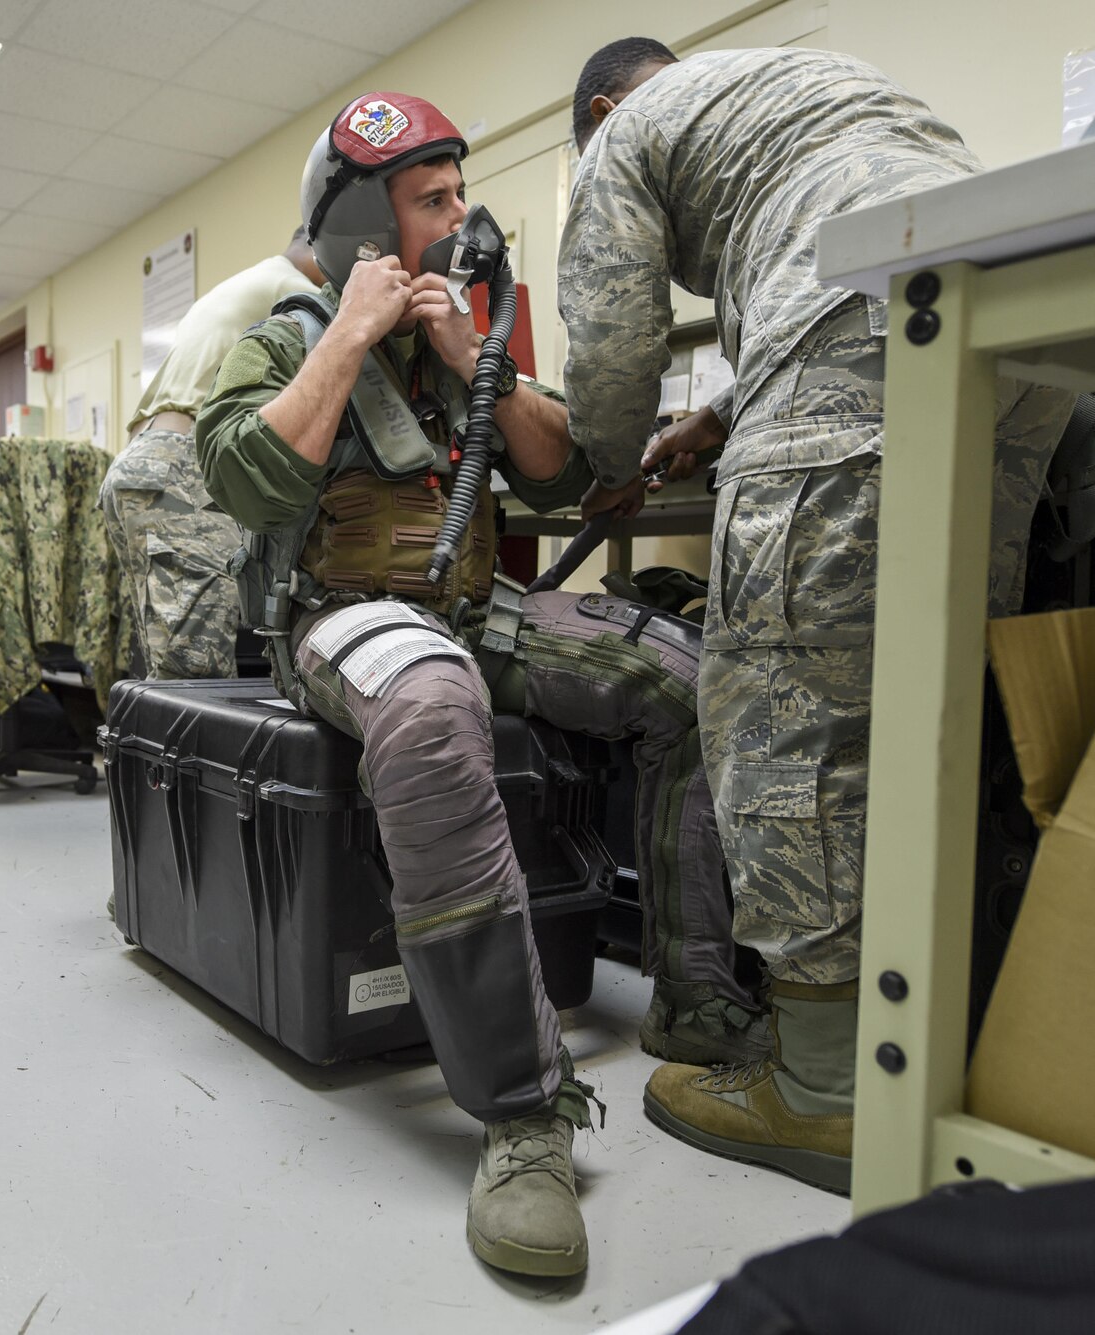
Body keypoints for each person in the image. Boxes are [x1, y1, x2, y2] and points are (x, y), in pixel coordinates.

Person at [198, 92, 718, 1278]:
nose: (455, 217)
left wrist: (461, 348)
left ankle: (699, 1003)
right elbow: (243, 480)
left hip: (475, 607)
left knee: (685, 676)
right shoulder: (280, 331)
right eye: (428, 200)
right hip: (340, 616)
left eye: (453, 195)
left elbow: (553, 475)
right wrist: (347, 331)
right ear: (360, 218)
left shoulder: (457, 339)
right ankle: (523, 1115)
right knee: (434, 716)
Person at [559, 39, 1077, 1192]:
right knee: (923, 695)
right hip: (1019, 332)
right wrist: (728, 412)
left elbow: (607, 362)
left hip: (870, 331)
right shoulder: (794, 84)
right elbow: (866, 232)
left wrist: (594, 466)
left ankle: (825, 1094)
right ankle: (929, 1043)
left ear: (600, 109)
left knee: (779, 714)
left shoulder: (621, 139)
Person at [100, 228, 325, 678]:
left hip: (142, 461)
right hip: (182, 468)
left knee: (167, 668)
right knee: (194, 676)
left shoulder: (241, 285)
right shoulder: (300, 296)